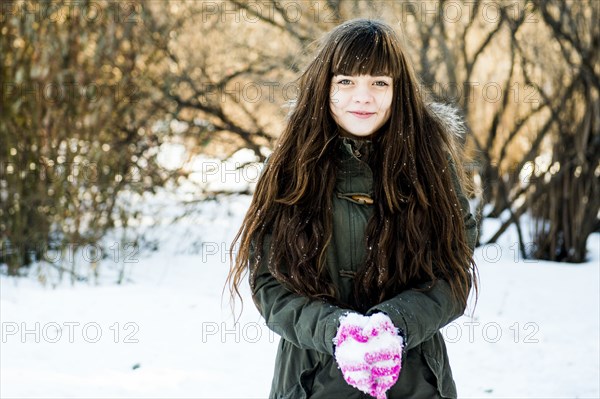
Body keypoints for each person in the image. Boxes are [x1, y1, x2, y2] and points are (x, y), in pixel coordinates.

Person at [227, 18, 478, 399]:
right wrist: (336, 331)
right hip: (310, 383)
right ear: (325, 87)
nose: (364, 97)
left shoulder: (430, 163)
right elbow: (269, 283)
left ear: (399, 91)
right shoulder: (289, 166)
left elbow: (454, 273)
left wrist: (394, 324)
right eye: (346, 81)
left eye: (379, 82)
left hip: (416, 384)